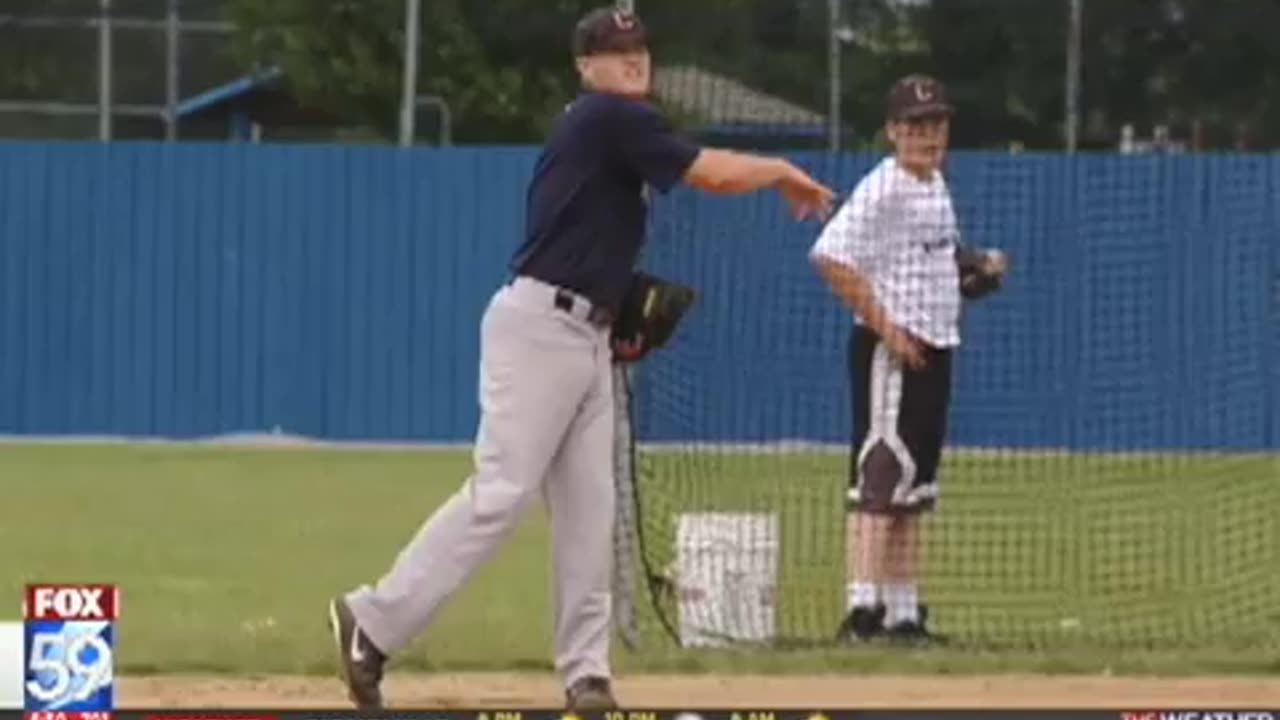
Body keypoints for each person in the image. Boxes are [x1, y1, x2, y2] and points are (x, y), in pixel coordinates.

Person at [327, 5, 835, 711]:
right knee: (501, 495)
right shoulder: (607, 117)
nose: (632, 58)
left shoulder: (610, 135)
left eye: (639, 47)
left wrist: (618, 304)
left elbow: (584, 233)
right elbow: (709, 173)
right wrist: (780, 169)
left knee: (589, 510)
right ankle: (373, 622)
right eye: (613, 48)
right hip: (541, 329)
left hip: (584, 334)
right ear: (585, 64)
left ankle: (586, 675)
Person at [808, 74, 1007, 645]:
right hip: (892, 351)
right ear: (893, 131)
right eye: (915, 126)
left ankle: (903, 614)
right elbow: (830, 257)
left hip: (935, 345)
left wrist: (972, 272)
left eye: (936, 124)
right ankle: (862, 612)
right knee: (880, 475)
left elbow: (927, 266)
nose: (928, 136)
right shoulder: (885, 186)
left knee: (914, 489)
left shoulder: (933, 186)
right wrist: (888, 329)